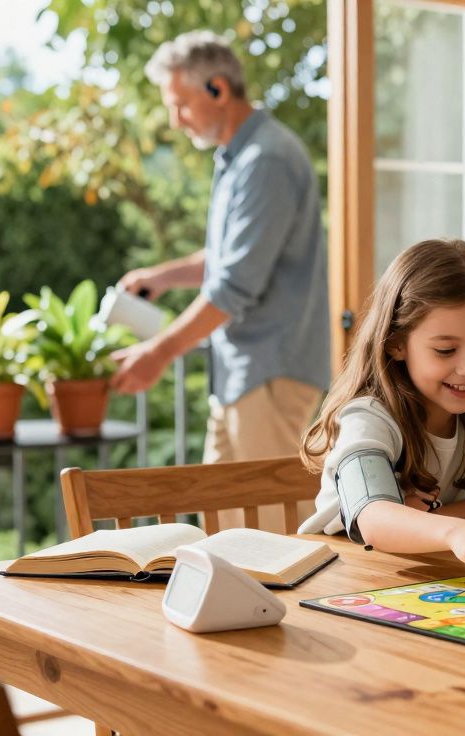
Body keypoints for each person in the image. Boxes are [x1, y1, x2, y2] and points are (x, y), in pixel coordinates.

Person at [110, 31, 329, 490]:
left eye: (181, 104)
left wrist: (157, 353)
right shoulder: (238, 159)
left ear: (218, 88)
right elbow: (233, 256)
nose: (175, 120)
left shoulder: (266, 160)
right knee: (223, 526)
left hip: (270, 371)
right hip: (242, 374)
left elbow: (235, 285)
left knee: (270, 538)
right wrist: (163, 276)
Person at [297, 239, 465, 586]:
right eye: (446, 350)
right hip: (340, 580)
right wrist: (445, 528)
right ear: (396, 343)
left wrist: (417, 521)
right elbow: (373, 518)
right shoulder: (368, 417)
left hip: (418, 579)